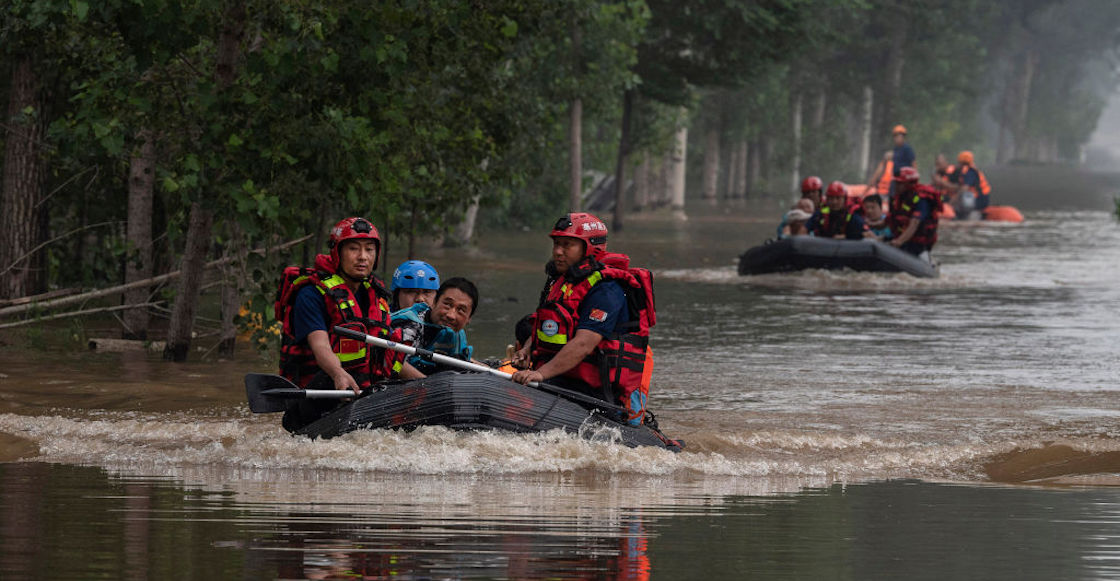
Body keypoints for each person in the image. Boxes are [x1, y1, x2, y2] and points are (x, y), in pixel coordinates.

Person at [275, 217, 423, 432]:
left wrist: (426, 384)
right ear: (337, 252)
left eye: (369, 250)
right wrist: (338, 373)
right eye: (353, 249)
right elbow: (320, 346)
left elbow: (388, 357)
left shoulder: (377, 296)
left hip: (365, 396)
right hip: (323, 395)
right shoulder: (311, 294)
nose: (362, 257)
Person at [510, 212, 656, 426]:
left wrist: (540, 374)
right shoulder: (561, 282)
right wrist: (527, 350)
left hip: (594, 395)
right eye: (556, 244)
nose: (558, 252)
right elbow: (547, 325)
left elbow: (584, 343)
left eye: (567, 245)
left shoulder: (607, 290)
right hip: (560, 381)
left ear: (589, 248)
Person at [391, 277, 478, 374]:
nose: (451, 315)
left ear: (469, 318)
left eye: (461, 310)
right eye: (447, 304)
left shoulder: (457, 333)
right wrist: (427, 384)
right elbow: (393, 364)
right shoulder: (409, 324)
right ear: (434, 302)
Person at [888, 167, 940, 260]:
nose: (896, 186)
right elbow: (888, 220)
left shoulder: (922, 200)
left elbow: (914, 223)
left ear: (909, 184)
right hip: (902, 239)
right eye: (896, 183)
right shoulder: (900, 198)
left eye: (900, 183)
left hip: (918, 245)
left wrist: (899, 241)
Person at [948, 150, 992, 219]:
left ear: (961, 162)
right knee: (959, 199)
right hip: (978, 198)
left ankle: (958, 216)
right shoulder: (964, 171)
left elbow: (964, 188)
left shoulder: (970, 172)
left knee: (962, 198)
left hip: (980, 199)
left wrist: (952, 201)